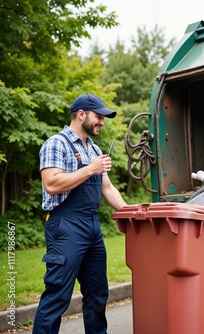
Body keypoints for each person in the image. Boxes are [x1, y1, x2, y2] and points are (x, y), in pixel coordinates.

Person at [33, 94, 128, 334]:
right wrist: (90, 169)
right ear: (82, 114)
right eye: (99, 116)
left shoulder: (93, 148)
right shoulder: (57, 143)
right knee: (57, 295)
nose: (102, 122)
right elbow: (52, 184)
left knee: (97, 293)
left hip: (92, 227)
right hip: (65, 226)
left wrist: (130, 211)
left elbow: (106, 187)